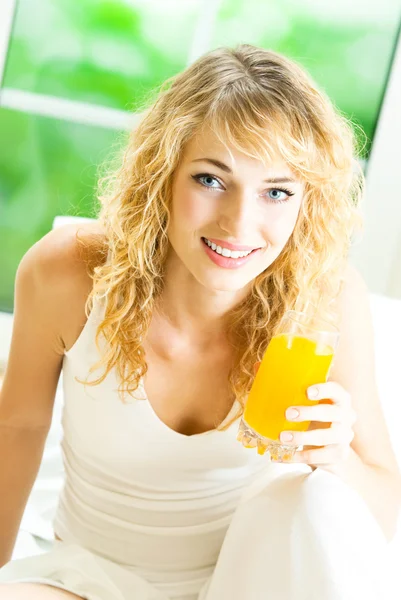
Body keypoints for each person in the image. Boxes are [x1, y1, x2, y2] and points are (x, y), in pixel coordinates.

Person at [0, 43, 400, 600]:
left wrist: (335, 461)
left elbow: (379, 511)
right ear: (163, 173)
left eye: (277, 192)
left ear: (307, 203)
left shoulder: (322, 300)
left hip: (242, 584)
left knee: (318, 498)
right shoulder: (69, 273)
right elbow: (16, 427)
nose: (239, 224)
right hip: (86, 577)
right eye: (211, 180)